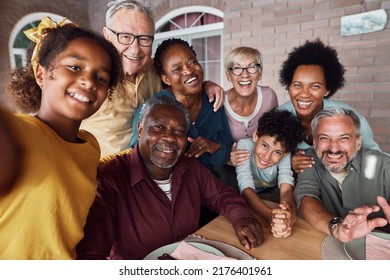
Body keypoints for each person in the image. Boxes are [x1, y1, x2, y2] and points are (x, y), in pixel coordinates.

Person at [76, 95, 264, 260]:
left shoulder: (189, 166)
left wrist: (241, 217)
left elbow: (221, 194)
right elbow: (90, 256)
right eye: (158, 127)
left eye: (179, 131)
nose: (170, 138)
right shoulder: (110, 180)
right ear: (140, 130)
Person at [0, 17, 122, 259]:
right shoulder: (20, 134)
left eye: (101, 78)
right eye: (75, 67)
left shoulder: (89, 145)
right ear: (41, 73)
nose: (89, 81)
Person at [80, 0, 224, 157]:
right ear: (107, 35)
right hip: (99, 173)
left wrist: (206, 86)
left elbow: (183, 78)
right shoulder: (88, 78)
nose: (135, 49)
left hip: (150, 169)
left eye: (144, 39)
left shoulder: (154, 68)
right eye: (125, 37)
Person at [129, 38, 233, 177]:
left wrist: (214, 147)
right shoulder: (151, 110)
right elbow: (135, 160)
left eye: (193, 62)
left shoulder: (213, 101)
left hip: (208, 183)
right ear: (166, 79)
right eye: (177, 69)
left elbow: (226, 153)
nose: (189, 71)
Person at [277, 38, 381, 174]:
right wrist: (288, 162)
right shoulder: (278, 118)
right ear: (289, 87)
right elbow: (264, 161)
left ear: (327, 90)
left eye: (315, 86)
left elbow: (375, 158)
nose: (304, 94)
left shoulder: (348, 117)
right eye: (297, 85)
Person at [294, 107, 390, 243]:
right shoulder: (308, 159)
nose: (333, 148)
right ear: (315, 143)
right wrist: (337, 228)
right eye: (324, 138)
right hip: (327, 243)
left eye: (343, 138)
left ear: (358, 142)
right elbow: (306, 198)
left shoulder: (384, 164)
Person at [236, 109, 304, 238]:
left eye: (277, 152)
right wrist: (270, 215)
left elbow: (286, 187)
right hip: (249, 194)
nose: (267, 157)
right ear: (256, 135)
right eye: (265, 146)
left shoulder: (286, 154)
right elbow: (246, 188)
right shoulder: (244, 145)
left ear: (284, 153)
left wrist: (286, 212)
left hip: (270, 192)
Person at [224, 46, 279, 166]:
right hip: (231, 170)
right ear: (228, 75)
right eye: (237, 68)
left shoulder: (269, 96)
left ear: (260, 73)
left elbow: (278, 133)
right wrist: (227, 159)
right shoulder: (219, 103)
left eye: (252, 67)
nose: (245, 74)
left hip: (264, 170)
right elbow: (213, 144)